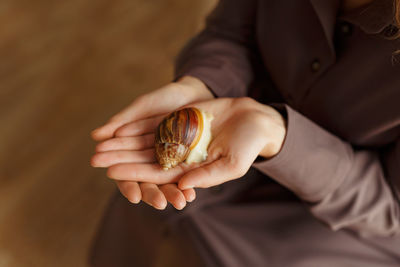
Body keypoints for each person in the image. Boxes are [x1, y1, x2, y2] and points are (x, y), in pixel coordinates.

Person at [89, 0, 400, 266]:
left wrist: (280, 136)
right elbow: (232, 31)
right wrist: (204, 85)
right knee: (148, 207)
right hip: (227, 126)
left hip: (345, 217)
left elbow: (391, 209)